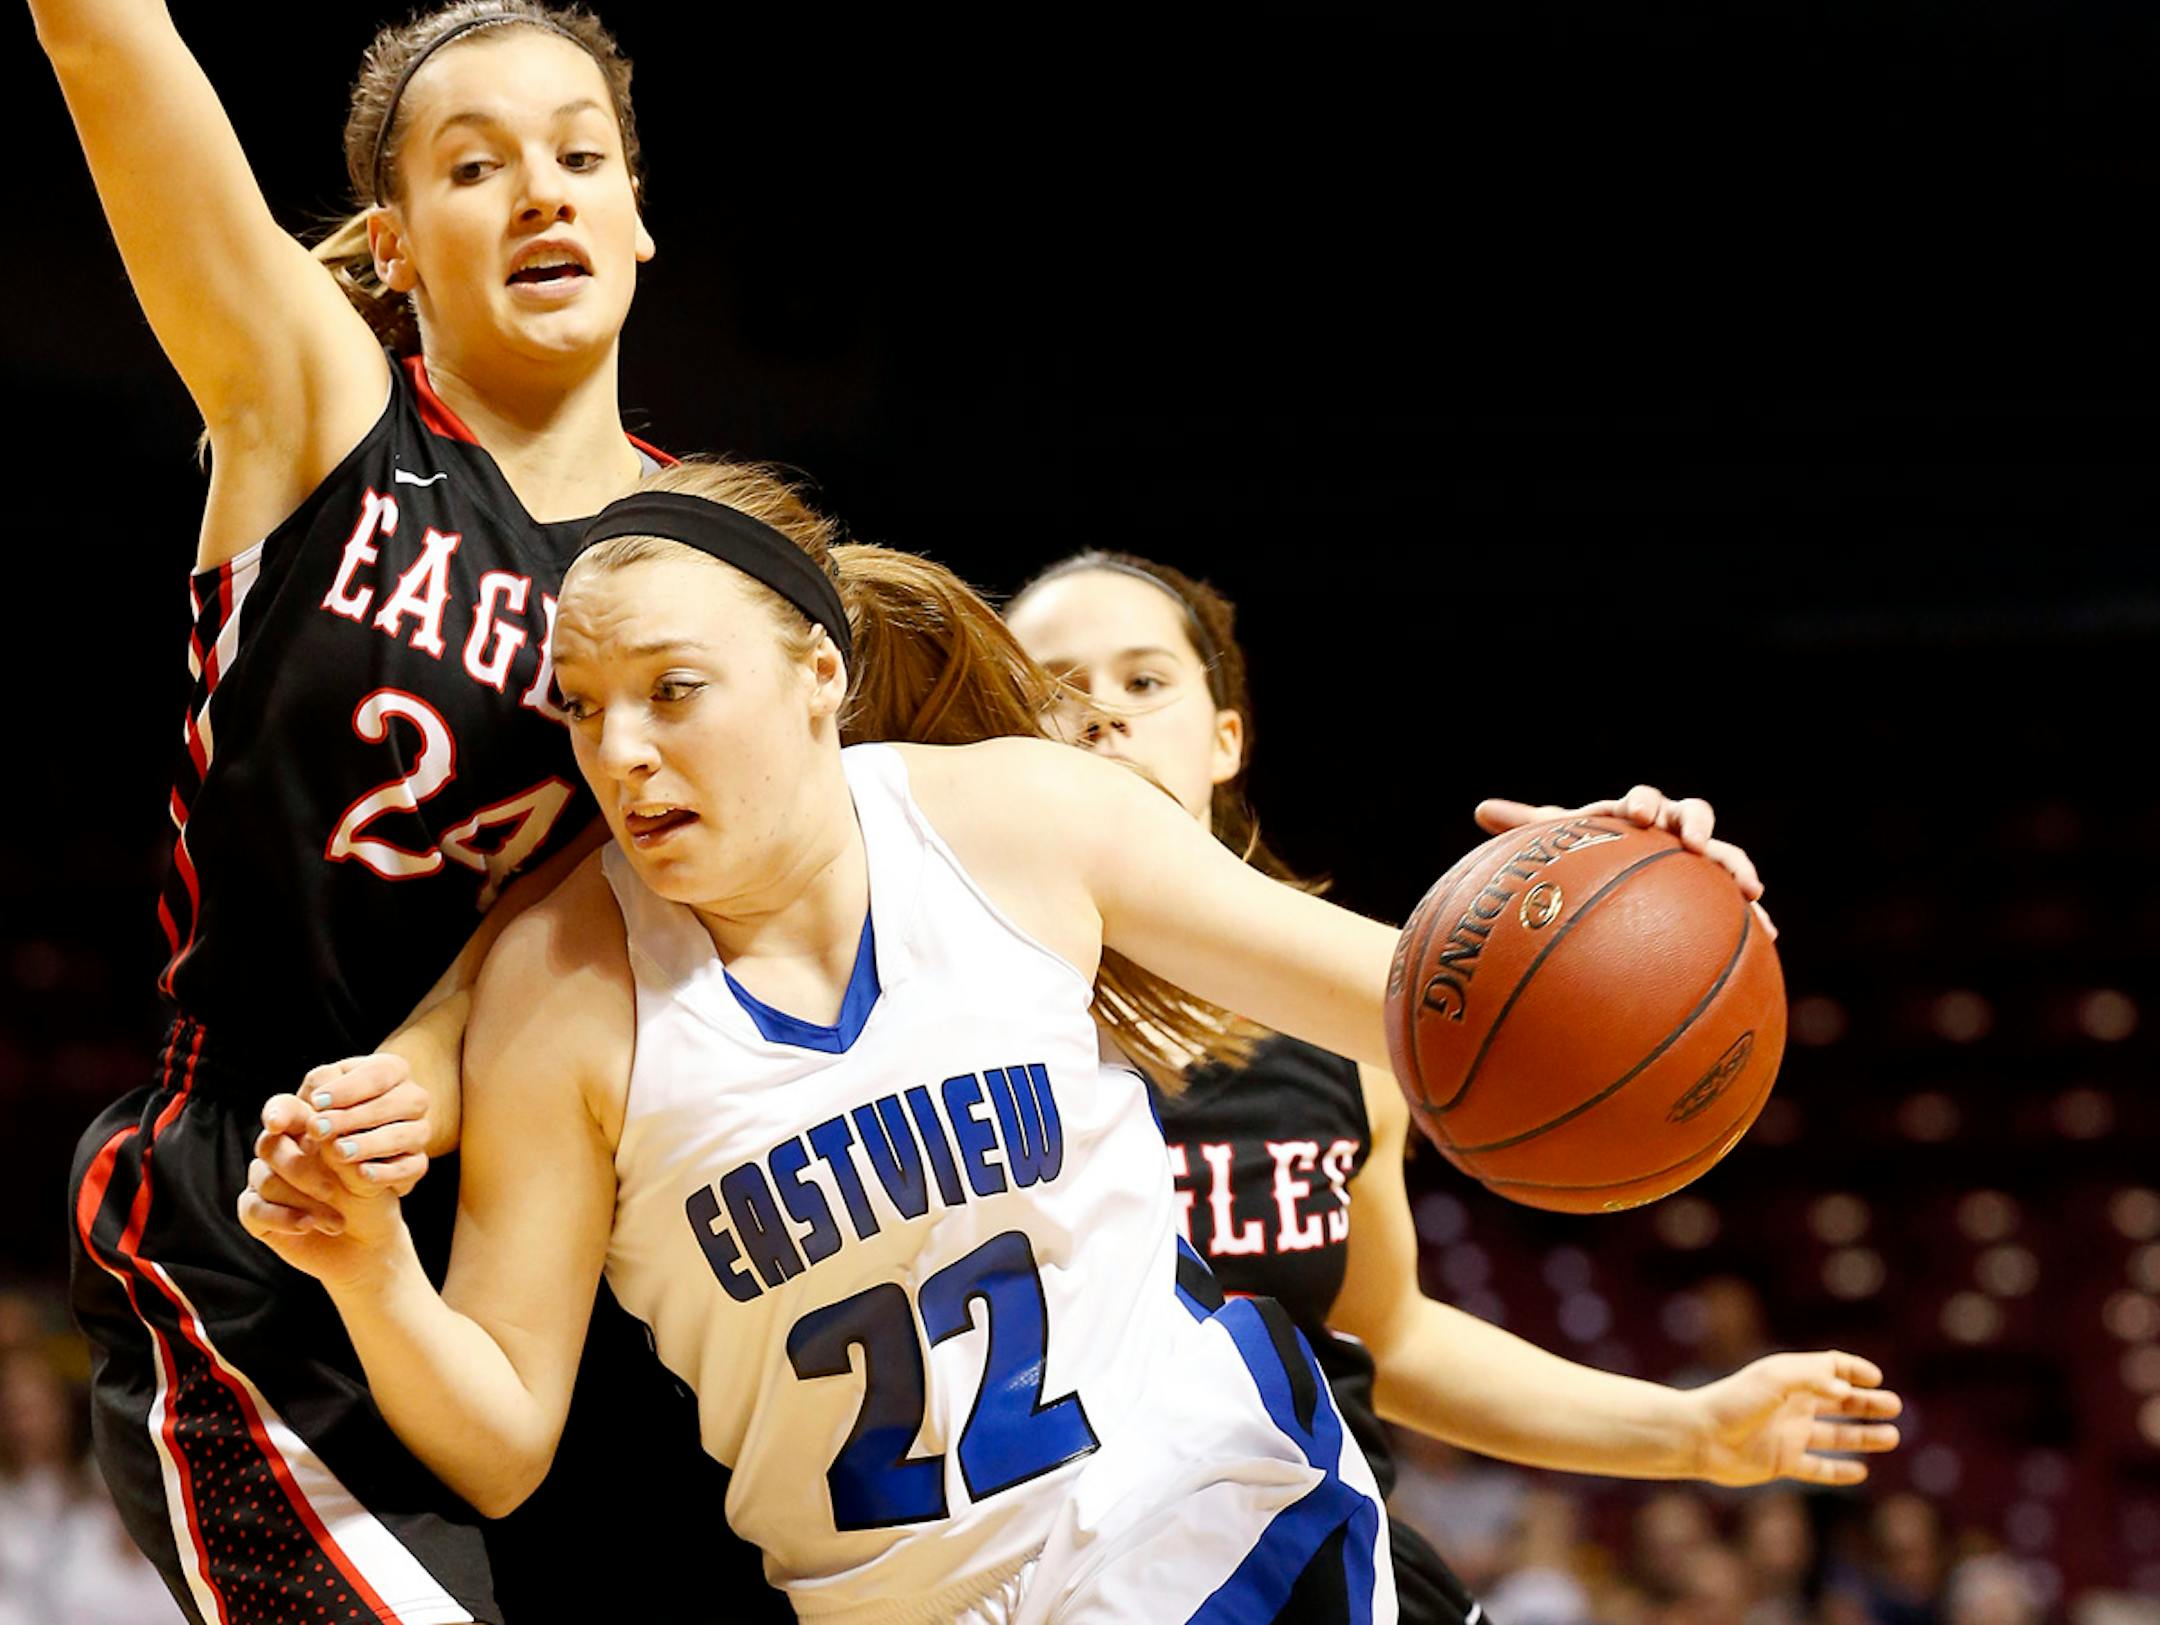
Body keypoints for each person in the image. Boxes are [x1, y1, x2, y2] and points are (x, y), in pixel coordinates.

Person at [240, 464, 1894, 1624]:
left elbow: (1425, 1007)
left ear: (816, 675)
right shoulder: (559, 988)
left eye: (674, 690)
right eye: (585, 705)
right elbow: (499, 1442)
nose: (622, 748)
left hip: (1216, 1533)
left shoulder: (1018, 821)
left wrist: (1603, 897)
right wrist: (369, 1270)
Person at [36, 3, 777, 1618]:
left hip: (576, 1256)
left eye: (581, 156)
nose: (542, 191)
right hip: (266, 1210)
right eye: (475, 166)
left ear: (639, 215)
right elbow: (101, 47)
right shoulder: (320, 413)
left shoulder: (717, 563)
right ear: (393, 244)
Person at [1001, 552, 1906, 1623]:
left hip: (1324, 1574)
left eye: (1145, 679)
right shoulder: (940, 1013)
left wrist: (1601, 908)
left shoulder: (1344, 1034)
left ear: (1226, 738)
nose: (1102, 712)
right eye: (1052, 687)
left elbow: (1392, 1336)